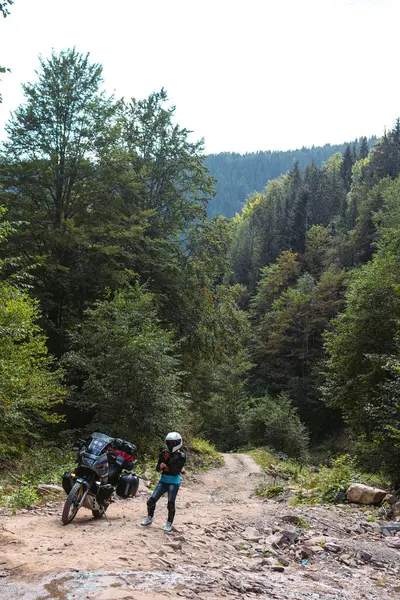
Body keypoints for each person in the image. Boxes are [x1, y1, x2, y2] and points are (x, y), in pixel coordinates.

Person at [141, 431, 186, 533]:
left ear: (178, 442)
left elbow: (175, 471)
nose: (171, 445)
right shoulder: (164, 453)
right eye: (169, 442)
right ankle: (149, 517)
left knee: (170, 504)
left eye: (174, 443)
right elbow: (158, 468)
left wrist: (166, 463)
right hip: (163, 480)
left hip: (174, 482)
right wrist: (161, 466)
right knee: (151, 501)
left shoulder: (181, 456)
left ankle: (169, 523)